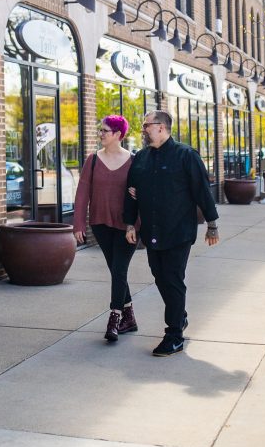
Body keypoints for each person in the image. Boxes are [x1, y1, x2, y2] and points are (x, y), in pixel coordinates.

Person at [123, 110, 219, 357]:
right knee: (159, 276)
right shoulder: (141, 158)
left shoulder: (186, 155)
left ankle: (174, 335)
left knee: (173, 278)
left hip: (179, 231)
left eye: (147, 125)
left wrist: (212, 224)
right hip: (152, 231)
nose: (143, 130)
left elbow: (202, 191)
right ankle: (180, 315)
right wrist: (130, 224)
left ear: (162, 127)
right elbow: (131, 192)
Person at [72, 115, 139, 342]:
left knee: (119, 270)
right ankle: (129, 317)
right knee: (116, 269)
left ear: (118, 135)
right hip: (100, 223)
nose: (100, 134)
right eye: (100, 130)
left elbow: (145, 191)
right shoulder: (92, 160)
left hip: (128, 226)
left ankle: (115, 318)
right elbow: (82, 194)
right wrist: (78, 223)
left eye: (105, 131)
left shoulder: (134, 161)